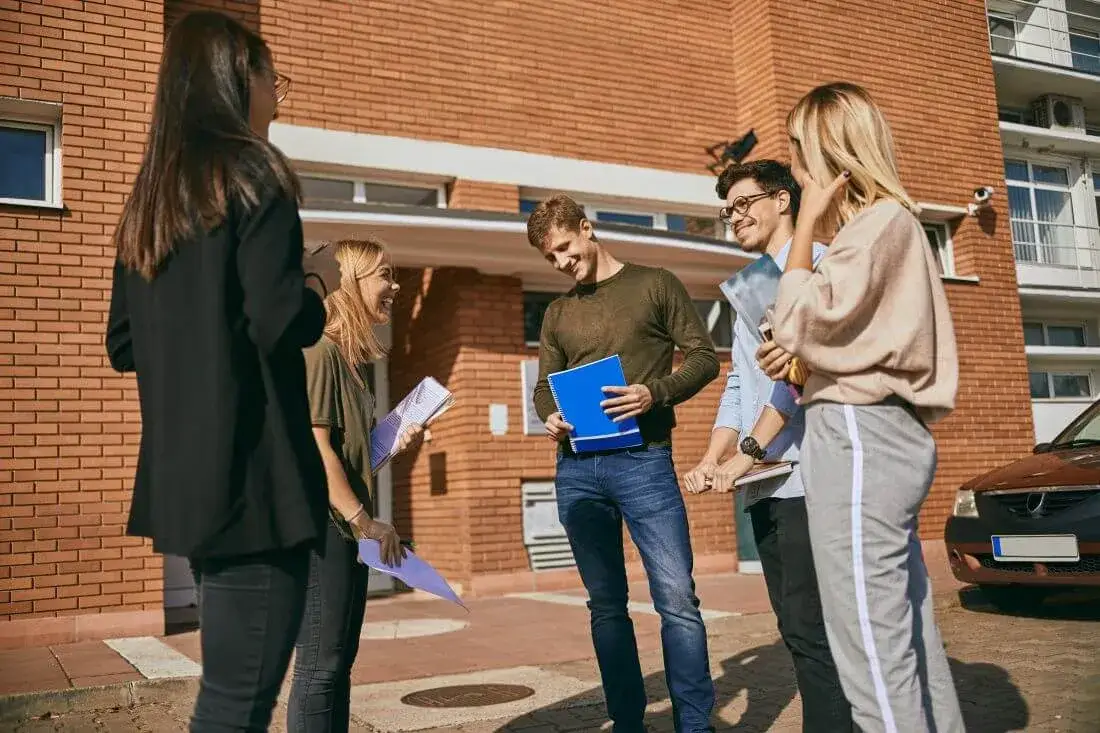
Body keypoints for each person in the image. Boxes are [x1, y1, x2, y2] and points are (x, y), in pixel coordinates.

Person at [105, 11, 341, 731]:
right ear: (239, 77)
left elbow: (122, 342)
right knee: (237, 702)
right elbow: (278, 320)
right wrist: (317, 288)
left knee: (230, 689)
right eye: (276, 79)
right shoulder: (253, 172)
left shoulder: (151, 199)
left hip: (189, 484)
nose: (279, 95)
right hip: (255, 481)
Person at [757, 81, 964, 732]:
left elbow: (793, 318)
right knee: (904, 630)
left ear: (826, 149)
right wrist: (800, 353)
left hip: (857, 432)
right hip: (882, 430)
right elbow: (826, 339)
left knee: (867, 642)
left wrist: (805, 227)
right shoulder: (890, 228)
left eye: (796, 151)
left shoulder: (875, 226)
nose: (793, 168)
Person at [528, 194, 720, 733]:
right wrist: (550, 416)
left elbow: (704, 358)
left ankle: (695, 725)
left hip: (645, 463)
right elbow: (545, 386)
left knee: (677, 599)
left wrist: (652, 394)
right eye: (551, 259)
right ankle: (627, 722)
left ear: (586, 229)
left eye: (565, 249)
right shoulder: (558, 311)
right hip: (578, 470)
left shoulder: (655, 284)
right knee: (606, 605)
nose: (563, 263)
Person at [683, 160, 854, 732]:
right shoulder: (748, 285)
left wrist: (745, 454)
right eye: (727, 209)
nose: (735, 217)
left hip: (816, 475)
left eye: (744, 203)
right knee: (796, 627)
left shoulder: (826, 265)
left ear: (783, 200)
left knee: (815, 626)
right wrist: (714, 455)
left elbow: (798, 378)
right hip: (769, 483)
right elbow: (741, 382)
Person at [288, 238, 422, 732]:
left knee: (336, 663)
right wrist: (364, 521)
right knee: (320, 668)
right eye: (384, 275)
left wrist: (388, 444)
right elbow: (313, 448)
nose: (395, 285)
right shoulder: (319, 351)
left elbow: (347, 458)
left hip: (341, 531)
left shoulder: (351, 366)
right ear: (350, 283)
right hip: (321, 530)